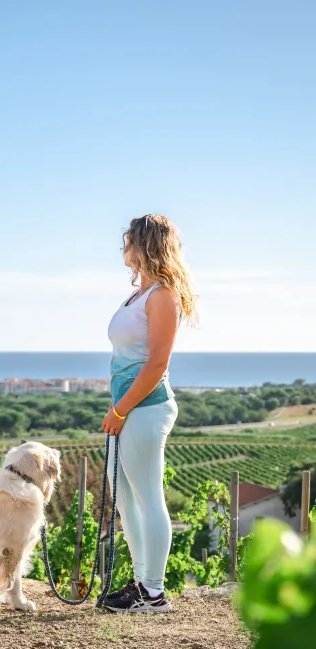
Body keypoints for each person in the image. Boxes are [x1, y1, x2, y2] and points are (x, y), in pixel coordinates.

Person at [99, 214, 197, 613]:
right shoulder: (139, 295)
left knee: (148, 497)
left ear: (146, 245)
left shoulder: (163, 295)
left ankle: (153, 592)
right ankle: (141, 583)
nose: (124, 248)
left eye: (129, 242)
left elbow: (157, 364)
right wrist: (119, 409)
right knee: (125, 498)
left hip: (146, 408)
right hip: (127, 408)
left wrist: (120, 410)